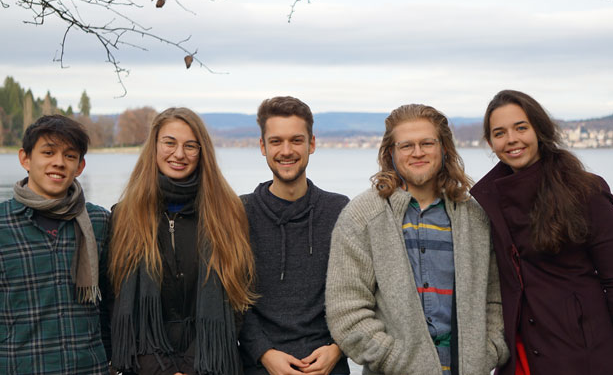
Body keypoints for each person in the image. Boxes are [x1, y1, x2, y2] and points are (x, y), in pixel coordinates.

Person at [326, 104, 508, 375]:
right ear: (391, 153)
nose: (418, 152)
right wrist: (397, 360)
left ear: (444, 149)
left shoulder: (475, 218)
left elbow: (497, 298)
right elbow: (346, 310)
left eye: (427, 143)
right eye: (406, 145)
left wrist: (487, 352)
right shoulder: (363, 216)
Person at [470, 90, 613, 375]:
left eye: (521, 128)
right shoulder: (485, 201)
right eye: (500, 133)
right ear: (490, 143)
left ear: (539, 129)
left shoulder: (585, 191)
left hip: (585, 353)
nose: (512, 140)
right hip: (521, 353)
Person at [109, 107, 256, 375]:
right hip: (145, 367)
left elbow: (237, 303)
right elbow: (117, 304)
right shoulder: (124, 216)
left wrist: (191, 367)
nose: (179, 154)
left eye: (190, 145)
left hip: (214, 364)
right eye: (169, 143)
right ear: (153, 147)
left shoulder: (228, 213)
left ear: (202, 153)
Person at [239, 96, 350, 375]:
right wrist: (263, 353)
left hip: (329, 365)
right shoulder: (239, 212)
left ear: (312, 144)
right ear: (263, 147)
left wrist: (338, 347)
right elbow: (233, 296)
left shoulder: (339, 210)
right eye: (276, 141)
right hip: (259, 367)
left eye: (296, 140)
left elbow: (359, 293)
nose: (286, 150)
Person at [0, 114, 111, 374]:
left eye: (70, 156)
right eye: (48, 152)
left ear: (80, 166)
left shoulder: (99, 222)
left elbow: (112, 303)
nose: (59, 163)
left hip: (89, 368)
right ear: (25, 159)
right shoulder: (3, 224)